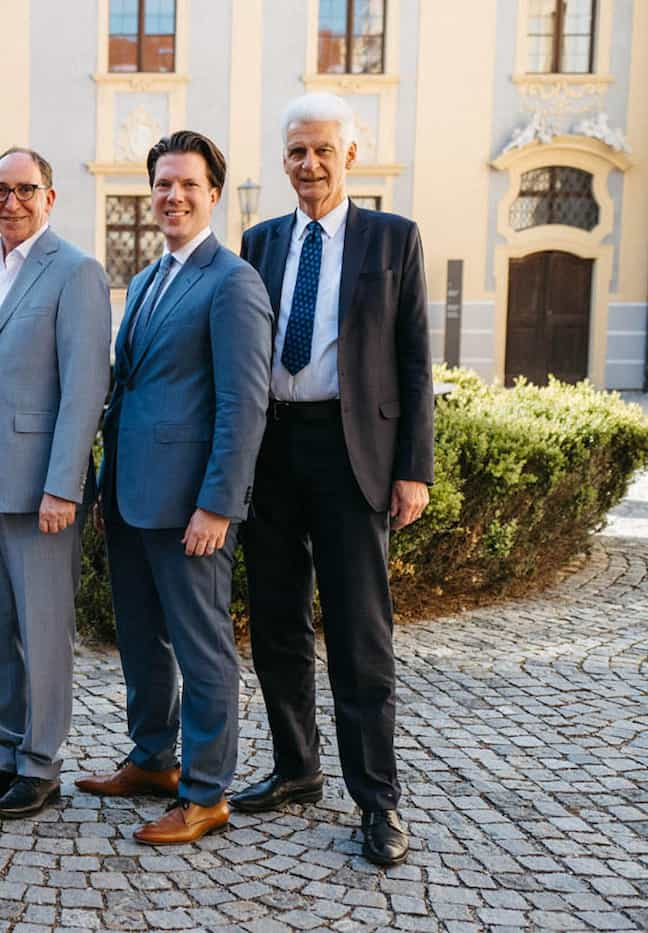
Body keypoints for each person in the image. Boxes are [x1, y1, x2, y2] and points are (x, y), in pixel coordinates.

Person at [235, 92, 434, 866]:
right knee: (277, 620)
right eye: (295, 152)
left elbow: (416, 363)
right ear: (283, 160)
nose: (308, 164)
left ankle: (377, 799)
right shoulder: (259, 242)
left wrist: (412, 467)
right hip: (273, 450)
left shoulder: (394, 239)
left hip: (354, 454)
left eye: (322, 150)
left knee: (360, 631)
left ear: (351, 154)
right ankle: (296, 768)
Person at [80, 131, 272, 844]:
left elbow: (243, 403)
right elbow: (128, 390)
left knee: (202, 647)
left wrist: (219, 503)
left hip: (193, 505)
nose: (173, 195)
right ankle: (153, 757)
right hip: (132, 498)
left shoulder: (231, 281)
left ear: (213, 194)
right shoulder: (152, 277)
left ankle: (205, 792)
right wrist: (103, 487)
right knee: (140, 638)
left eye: (188, 184)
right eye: (162, 183)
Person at [0, 147, 111, 818]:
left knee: (42, 628)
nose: (10, 201)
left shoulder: (75, 272)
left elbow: (84, 388)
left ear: (50, 195)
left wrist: (64, 485)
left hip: (41, 486)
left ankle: (42, 762)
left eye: (23, 189)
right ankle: (6, 749)